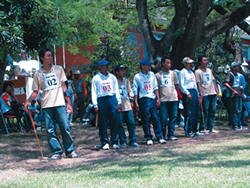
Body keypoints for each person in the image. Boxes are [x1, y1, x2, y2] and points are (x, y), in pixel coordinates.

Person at [24, 48, 80, 160]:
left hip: (59, 103)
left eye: (51, 55)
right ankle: (57, 152)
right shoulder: (38, 74)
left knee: (65, 127)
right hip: (46, 105)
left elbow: (64, 87)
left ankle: (70, 151)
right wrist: (28, 101)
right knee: (50, 130)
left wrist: (69, 103)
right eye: (48, 55)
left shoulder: (59, 69)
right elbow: (35, 92)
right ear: (42, 58)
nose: (51, 57)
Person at [133, 59, 166, 145]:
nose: (149, 67)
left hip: (152, 98)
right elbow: (135, 90)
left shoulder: (152, 75)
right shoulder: (137, 76)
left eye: (149, 65)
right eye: (147, 65)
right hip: (143, 98)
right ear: (142, 66)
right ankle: (148, 137)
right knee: (145, 119)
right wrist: (136, 102)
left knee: (155, 117)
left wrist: (158, 98)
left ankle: (159, 136)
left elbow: (155, 87)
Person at [91, 59, 122, 150]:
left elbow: (116, 89)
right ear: (100, 67)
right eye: (105, 65)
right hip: (102, 99)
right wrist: (95, 105)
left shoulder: (112, 77)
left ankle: (115, 141)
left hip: (112, 98)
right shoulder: (96, 78)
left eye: (108, 65)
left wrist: (118, 102)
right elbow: (94, 92)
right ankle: (104, 142)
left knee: (114, 120)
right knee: (103, 121)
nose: (107, 67)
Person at [114, 64, 141, 148]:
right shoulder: (114, 81)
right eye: (121, 70)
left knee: (131, 123)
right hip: (119, 105)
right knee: (120, 124)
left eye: (124, 70)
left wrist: (132, 100)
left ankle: (133, 140)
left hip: (127, 104)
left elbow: (130, 92)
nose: (123, 72)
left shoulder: (126, 81)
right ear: (117, 72)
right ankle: (123, 141)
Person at [178, 57, 204, 138]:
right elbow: (181, 85)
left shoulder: (191, 72)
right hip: (188, 91)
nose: (190, 65)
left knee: (196, 111)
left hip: (194, 91)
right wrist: (187, 93)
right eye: (189, 63)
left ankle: (195, 129)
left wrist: (198, 93)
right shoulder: (182, 72)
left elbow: (194, 83)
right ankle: (188, 130)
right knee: (189, 112)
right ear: (185, 63)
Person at [155, 57, 179, 140]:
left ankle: (171, 134)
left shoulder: (173, 74)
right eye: (167, 63)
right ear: (162, 64)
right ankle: (162, 134)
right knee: (163, 119)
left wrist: (173, 93)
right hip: (163, 99)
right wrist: (158, 99)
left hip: (173, 98)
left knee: (173, 117)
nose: (169, 65)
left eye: (170, 63)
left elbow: (176, 85)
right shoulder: (158, 75)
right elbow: (156, 88)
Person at [195, 56, 220, 133]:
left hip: (212, 92)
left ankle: (210, 127)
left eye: (207, 60)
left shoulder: (209, 70)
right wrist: (201, 93)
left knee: (212, 110)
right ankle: (203, 128)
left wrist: (217, 91)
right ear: (200, 62)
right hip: (205, 93)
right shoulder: (198, 71)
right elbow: (198, 83)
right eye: (204, 60)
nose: (206, 62)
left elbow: (213, 81)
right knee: (204, 111)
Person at [224, 62, 248, 130]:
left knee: (239, 110)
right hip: (233, 95)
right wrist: (233, 90)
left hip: (239, 94)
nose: (238, 68)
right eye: (236, 66)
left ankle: (239, 124)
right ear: (233, 67)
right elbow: (226, 83)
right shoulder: (230, 74)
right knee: (235, 110)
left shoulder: (238, 75)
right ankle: (235, 125)